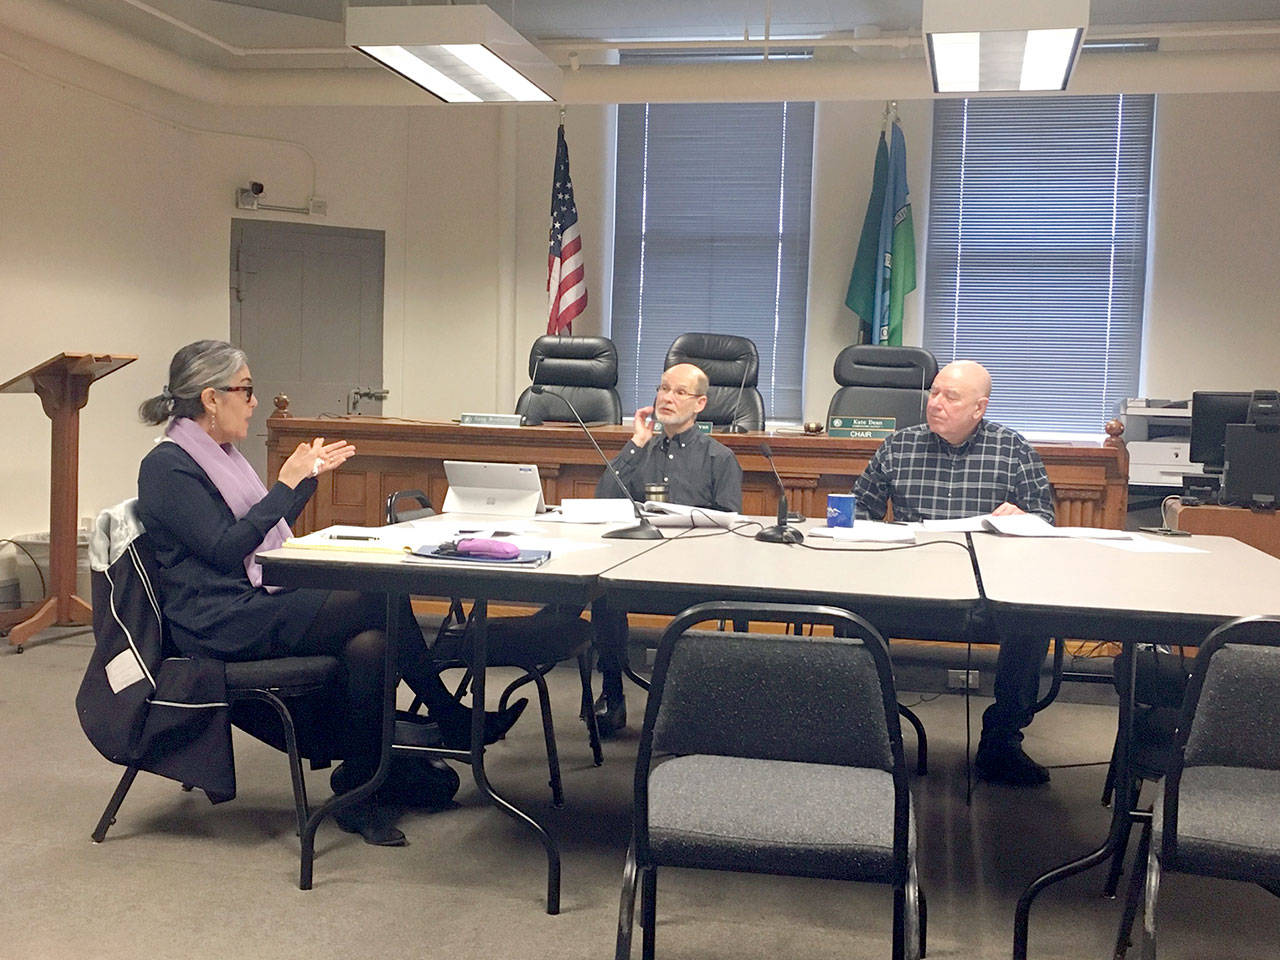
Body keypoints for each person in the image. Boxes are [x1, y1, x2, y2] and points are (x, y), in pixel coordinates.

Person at [135, 340, 524, 844]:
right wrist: (284, 485)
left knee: (372, 646)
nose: (254, 401)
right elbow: (225, 550)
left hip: (246, 602)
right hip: (216, 621)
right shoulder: (168, 466)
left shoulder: (220, 457)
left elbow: (257, 536)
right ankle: (449, 718)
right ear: (211, 399)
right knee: (377, 595)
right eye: (247, 390)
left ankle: (359, 790)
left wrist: (302, 484)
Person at [852, 359, 1057, 786]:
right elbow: (857, 514)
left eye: (951, 396)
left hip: (987, 594)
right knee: (849, 612)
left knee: (1033, 623)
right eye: (934, 392)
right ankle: (868, 730)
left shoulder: (1013, 450)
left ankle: (1002, 740)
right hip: (908, 589)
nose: (936, 402)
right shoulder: (898, 446)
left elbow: (1045, 521)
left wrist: (1022, 516)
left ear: (979, 409)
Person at [590, 362, 743, 735]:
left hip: (696, 569)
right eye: (662, 389)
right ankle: (612, 693)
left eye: (678, 392)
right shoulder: (641, 450)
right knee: (602, 594)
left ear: (700, 403)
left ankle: (696, 703)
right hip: (638, 563)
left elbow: (729, 526)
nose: (666, 398)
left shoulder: (719, 458)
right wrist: (636, 443)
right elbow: (603, 500)